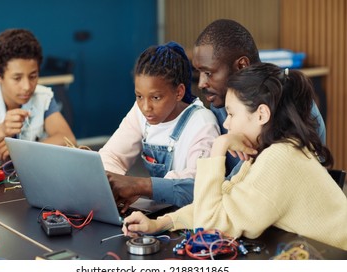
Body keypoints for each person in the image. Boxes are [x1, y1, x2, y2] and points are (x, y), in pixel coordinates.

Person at [122, 62, 347, 251]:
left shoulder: (280, 159)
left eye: (231, 113)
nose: (227, 123)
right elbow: (222, 203)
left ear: (261, 114)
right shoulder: (272, 150)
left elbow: (209, 224)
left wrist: (218, 148)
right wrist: (159, 223)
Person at [192, 19, 326, 177]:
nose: (201, 84)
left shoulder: (288, 106)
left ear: (242, 65)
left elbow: (235, 188)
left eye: (208, 73)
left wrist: (220, 146)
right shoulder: (220, 101)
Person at [99, 42, 219, 211]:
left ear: (179, 92)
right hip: (156, 210)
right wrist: (111, 185)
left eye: (155, 98)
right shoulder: (141, 112)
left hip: (187, 217)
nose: (146, 107)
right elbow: (112, 155)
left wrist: (138, 186)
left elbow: (196, 185)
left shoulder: (203, 123)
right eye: (139, 96)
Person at [0, 29, 76, 165]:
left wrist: (20, 150)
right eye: (17, 78)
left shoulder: (43, 97)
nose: (27, 86)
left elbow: (69, 140)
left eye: (33, 76)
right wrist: (1, 130)